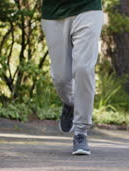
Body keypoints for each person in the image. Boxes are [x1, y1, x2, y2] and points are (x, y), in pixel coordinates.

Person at [41, 0, 103, 155]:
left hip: (88, 7)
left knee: (84, 68)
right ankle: (70, 103)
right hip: (53, 12)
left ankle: (81, 132)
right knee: (60, 77)